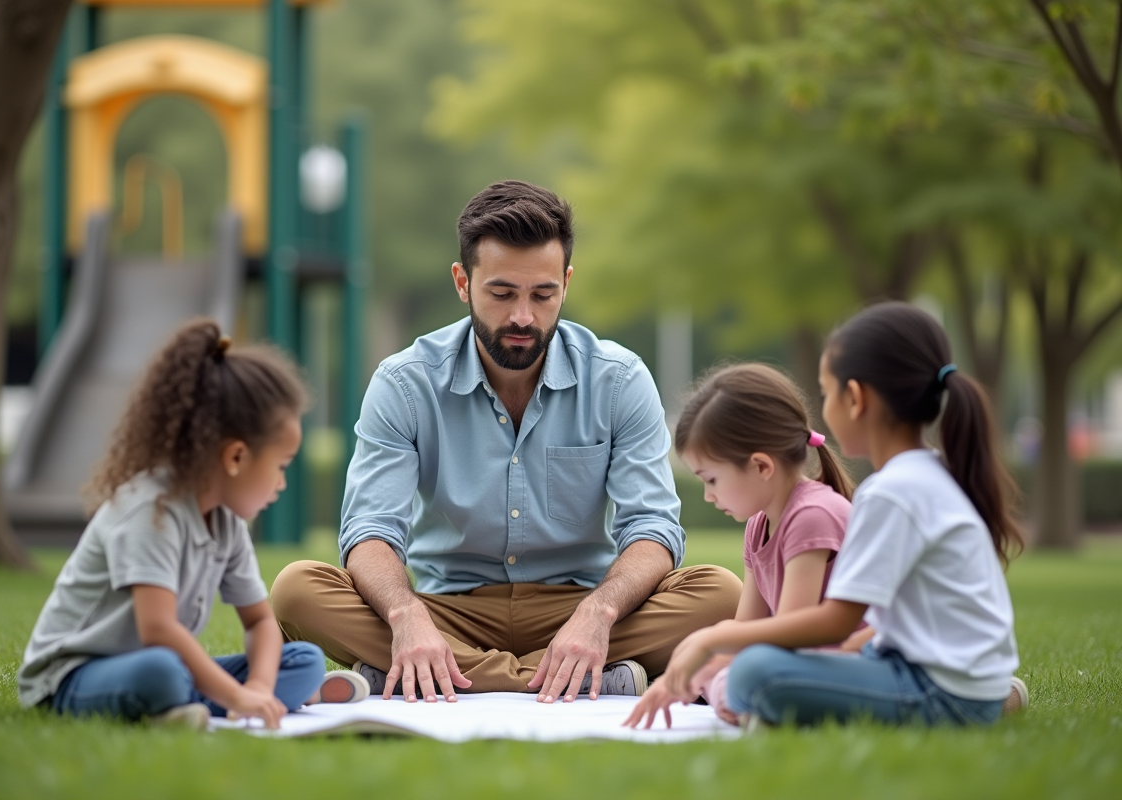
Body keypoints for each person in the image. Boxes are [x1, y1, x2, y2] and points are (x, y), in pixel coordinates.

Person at [271, 180, 743, 704]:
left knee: (721, 595)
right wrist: (407, 617)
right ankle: (579, 676)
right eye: (501, 293)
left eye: (543, 295)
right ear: (462, 282)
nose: (523, 316)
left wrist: (598, 614)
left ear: (566, 282)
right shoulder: (404, 382)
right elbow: (372, 529)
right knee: (297, 590)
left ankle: (431, 672)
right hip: (449, 608)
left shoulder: (619, 380)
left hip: (579, 604)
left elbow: (652, 526)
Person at [638, 302, 1027, 727]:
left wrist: (713, 639)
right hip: (943, 679)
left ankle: (767, 703)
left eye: (827, 393)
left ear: (856, 398)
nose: (822, 409)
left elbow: (832, 623)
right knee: (737, 670)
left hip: (941, 691)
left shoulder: (892, 491)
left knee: (754, 675)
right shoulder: (922, 475)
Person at [17, 320, 368, 731]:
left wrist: (256, 682)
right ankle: (211, 701)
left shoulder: (226, 520)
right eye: (280, 466)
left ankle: (194, 706)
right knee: (162, 670)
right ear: (236, 458)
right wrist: (238, 693)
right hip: (74, 675)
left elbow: (258, 621)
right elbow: (159, 629)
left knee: (304, 661)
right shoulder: (150, 511)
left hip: (162, 661)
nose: (282, 483)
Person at [625, 363, 855, 729]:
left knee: (739, 669)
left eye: (712, 479)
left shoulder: (814, 514)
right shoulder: (758, 525)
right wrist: (690, 670)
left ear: (761, 466)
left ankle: (750, 702)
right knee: (708, 668)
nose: (708, 495)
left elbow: (793, 634)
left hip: (840, 662)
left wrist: (713, 647)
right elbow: (746, 629)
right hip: (795, 659)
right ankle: (743, 701)